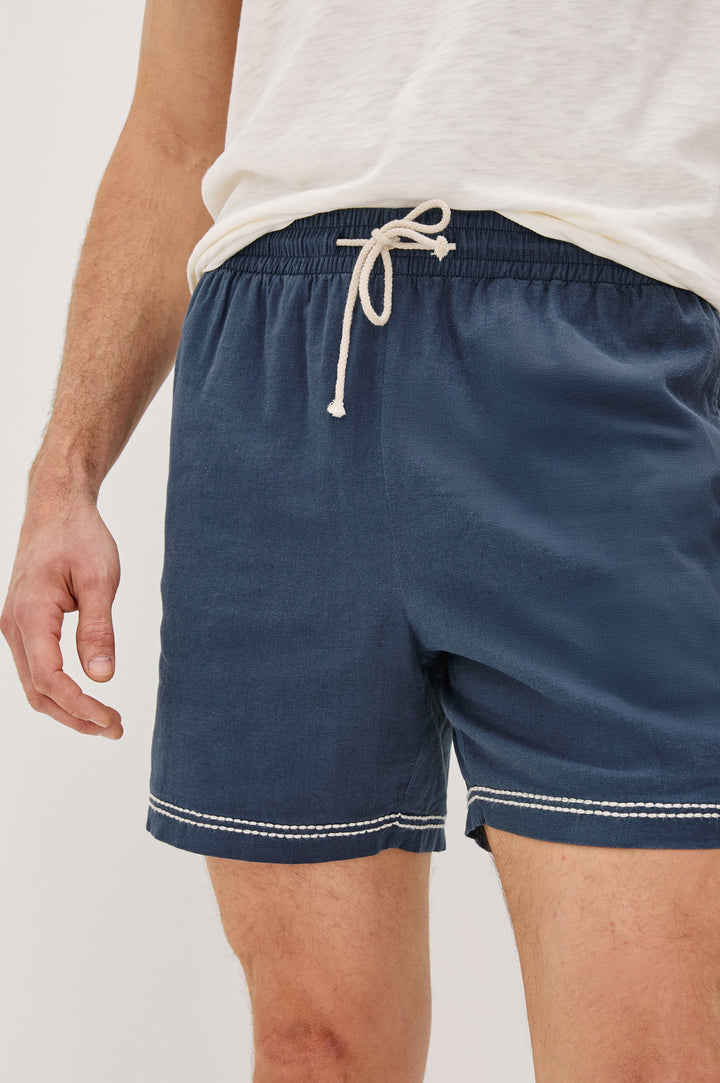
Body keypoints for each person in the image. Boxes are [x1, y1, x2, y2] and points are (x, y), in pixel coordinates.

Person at [3, 0, 720, 1078]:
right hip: (274, 365)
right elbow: (173, 135)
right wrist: (65, 472)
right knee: (312, 1050)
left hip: (604, 353)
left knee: (648, 1054)